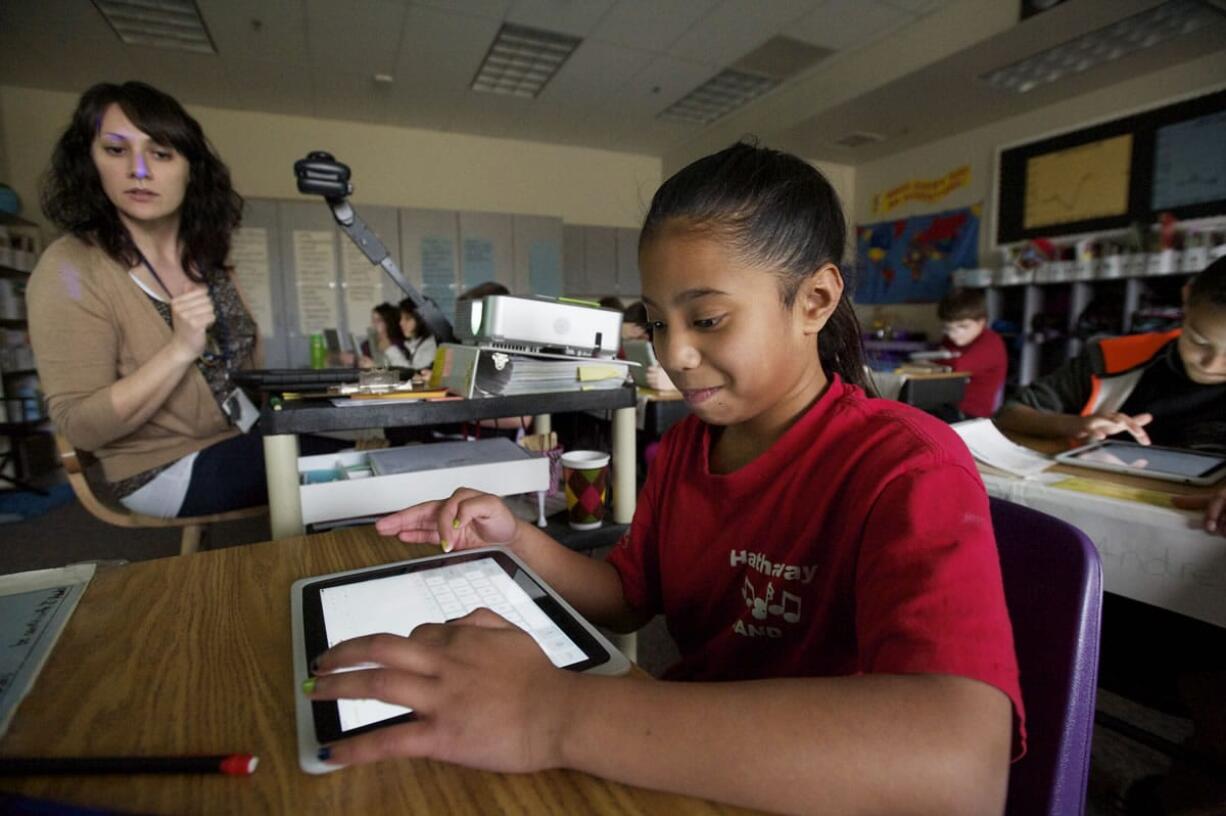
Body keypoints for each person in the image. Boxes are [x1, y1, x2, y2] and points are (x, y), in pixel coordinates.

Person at [303, 141, 1024, 814]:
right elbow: (625, 598)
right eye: (655, 322)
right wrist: (516, 538)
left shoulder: (902, 466)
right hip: (677, 767)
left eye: (708, 319)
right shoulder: (689, 446)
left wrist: (554, 713)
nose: (675, 354)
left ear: (814, 301)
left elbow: (964, 763)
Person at [28, 81, 270, 518]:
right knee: (351, 468)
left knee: (370, 439)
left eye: (161, 154)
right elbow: (80, 426)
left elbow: (241, 371)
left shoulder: (207, 261)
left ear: (190, 169)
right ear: (90, 161)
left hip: (241, 436)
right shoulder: (70, 267)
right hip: (161, 468)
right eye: (117, 150)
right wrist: (179, 350)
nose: (139, 170)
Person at [995, 255, 1226, 535]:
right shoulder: (1113, 358)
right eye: (1198, 341)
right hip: (1097, 521)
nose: (1211, 364)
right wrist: (1078, 424)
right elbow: (1010, 415)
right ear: (1186, 298)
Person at [935, 286, 1007, 418]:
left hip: (972, 416)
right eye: (948, 327)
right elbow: (939, 360)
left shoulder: (990, 343)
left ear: (982, 322)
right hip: (948, 405)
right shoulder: (951, 339)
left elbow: (955, 366)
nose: (954, 334)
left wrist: (934, 359)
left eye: (963, 326)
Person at [398, 297, 437, 373]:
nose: (401, 323)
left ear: (422, 320)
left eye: (407, 318)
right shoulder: (413, 344)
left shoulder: (430, 347)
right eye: (401, 318)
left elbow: (411, 374)